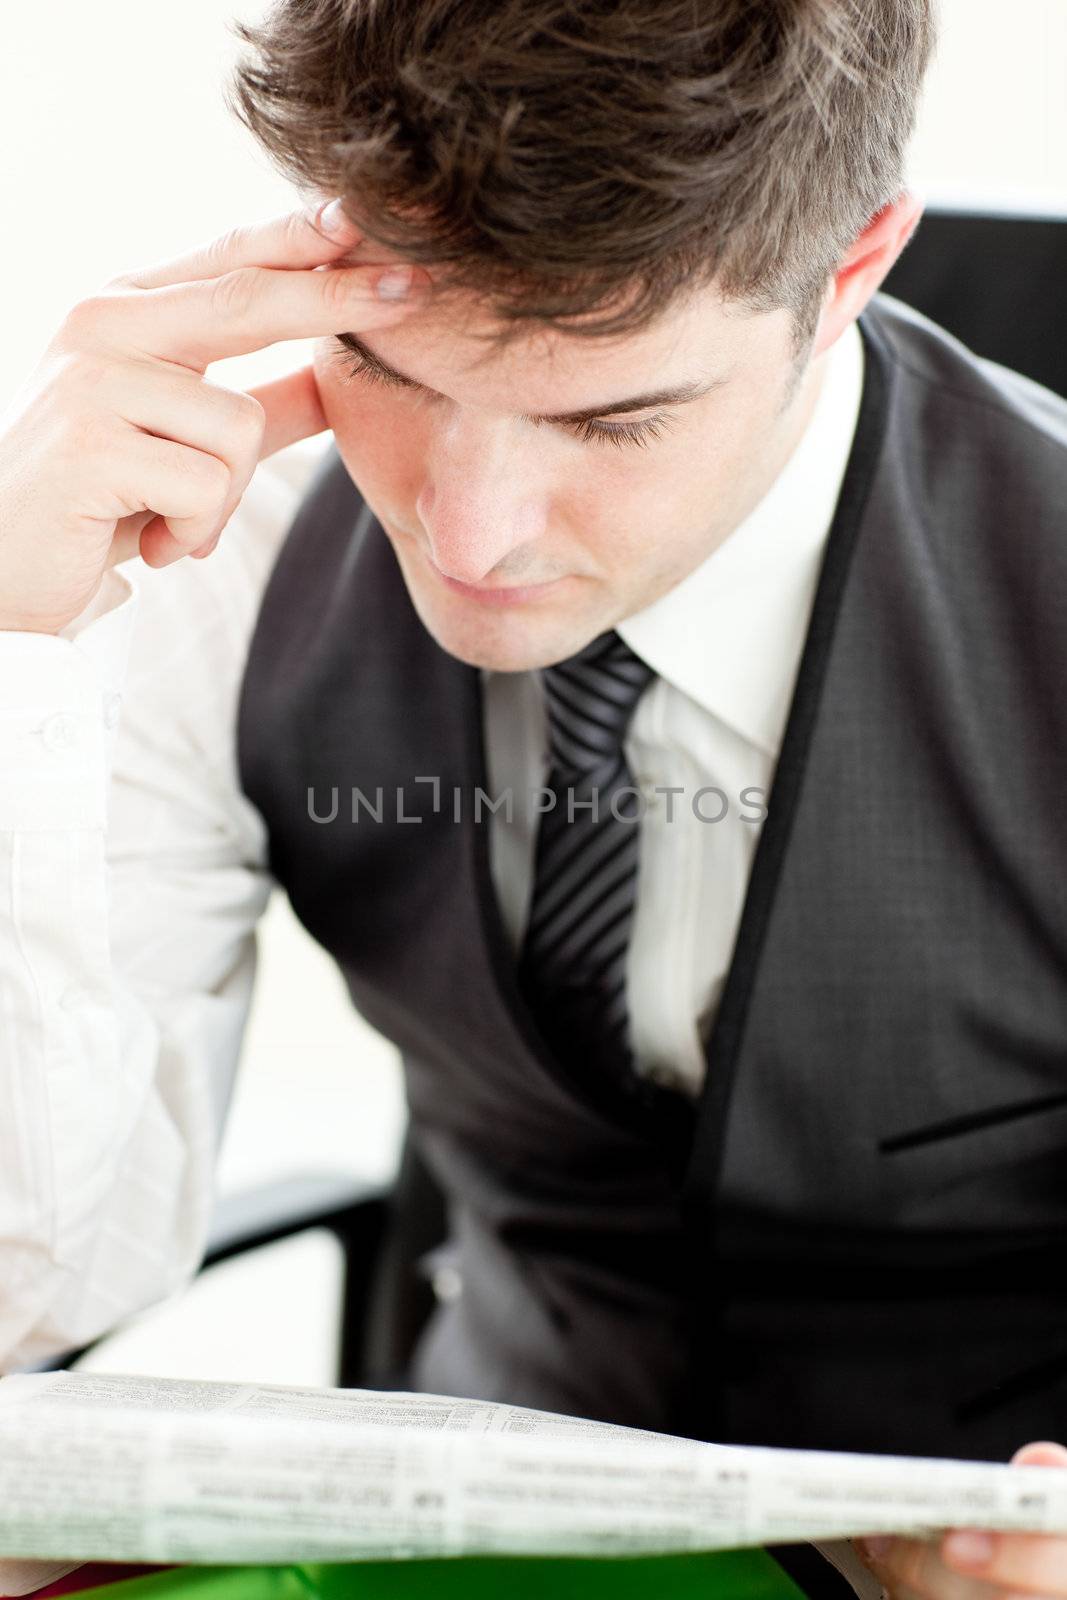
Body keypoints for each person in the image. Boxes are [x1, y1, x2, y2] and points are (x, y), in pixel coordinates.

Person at [1, 2, 1066, 1596]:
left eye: (613, 416)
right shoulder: (213, 558)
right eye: (383, 364)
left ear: (849, 270)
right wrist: (14, 654)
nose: (472, 535)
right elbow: (27, 1285)